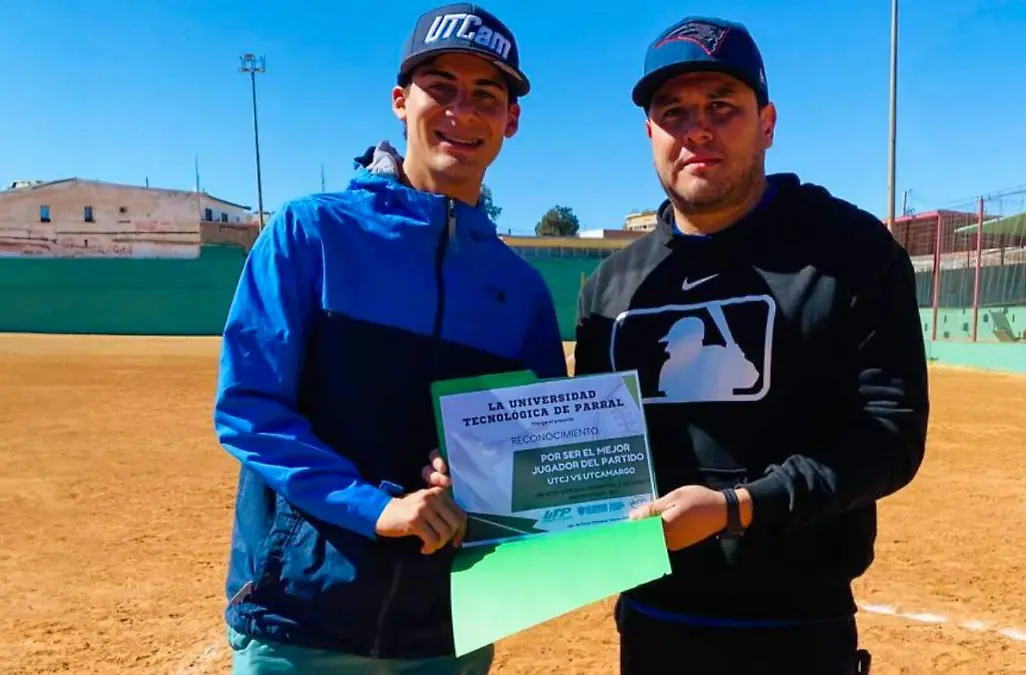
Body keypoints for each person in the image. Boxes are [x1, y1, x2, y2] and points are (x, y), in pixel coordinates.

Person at [212, 4, 566, 673]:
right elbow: (250, 410)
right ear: (402, 102)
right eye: (442, 87)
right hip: (302, 622)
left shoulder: (521, 292)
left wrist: (481, 473)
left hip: (447, 630)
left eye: (486, 95)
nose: (462, 110)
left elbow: (534, 453)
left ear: (510, 121)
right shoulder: (309, 233)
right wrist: (379, 508)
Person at [576, 15, 929, 674]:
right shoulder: (611, 286)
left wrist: (738, 507)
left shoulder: (848, 253)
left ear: (767, 122)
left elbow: (890, 436)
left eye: (722, 106)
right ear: (649, 132)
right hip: (652, 625)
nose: (697, 128)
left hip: (798, 630)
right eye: (673, 111)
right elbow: (591, 452)